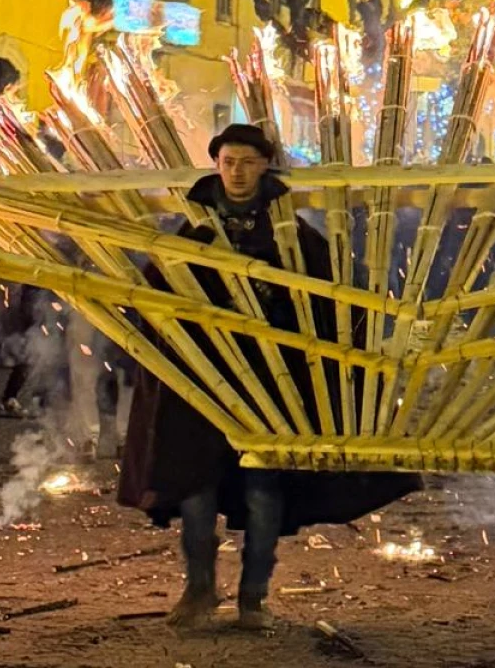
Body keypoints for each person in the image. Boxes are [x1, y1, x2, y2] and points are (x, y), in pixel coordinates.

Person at [119, 123, 419, 633]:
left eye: (248, 162)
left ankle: (253, 598)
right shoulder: (191, 235)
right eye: (228, 162)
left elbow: (331, 304)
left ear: (265, 167)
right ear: (216, 165)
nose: (237, 173)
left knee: (263, 491)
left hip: (274, 386)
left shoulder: (294, 237)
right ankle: (199, 589)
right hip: (203, 385)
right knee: (196, 492)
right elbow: (154, 305)